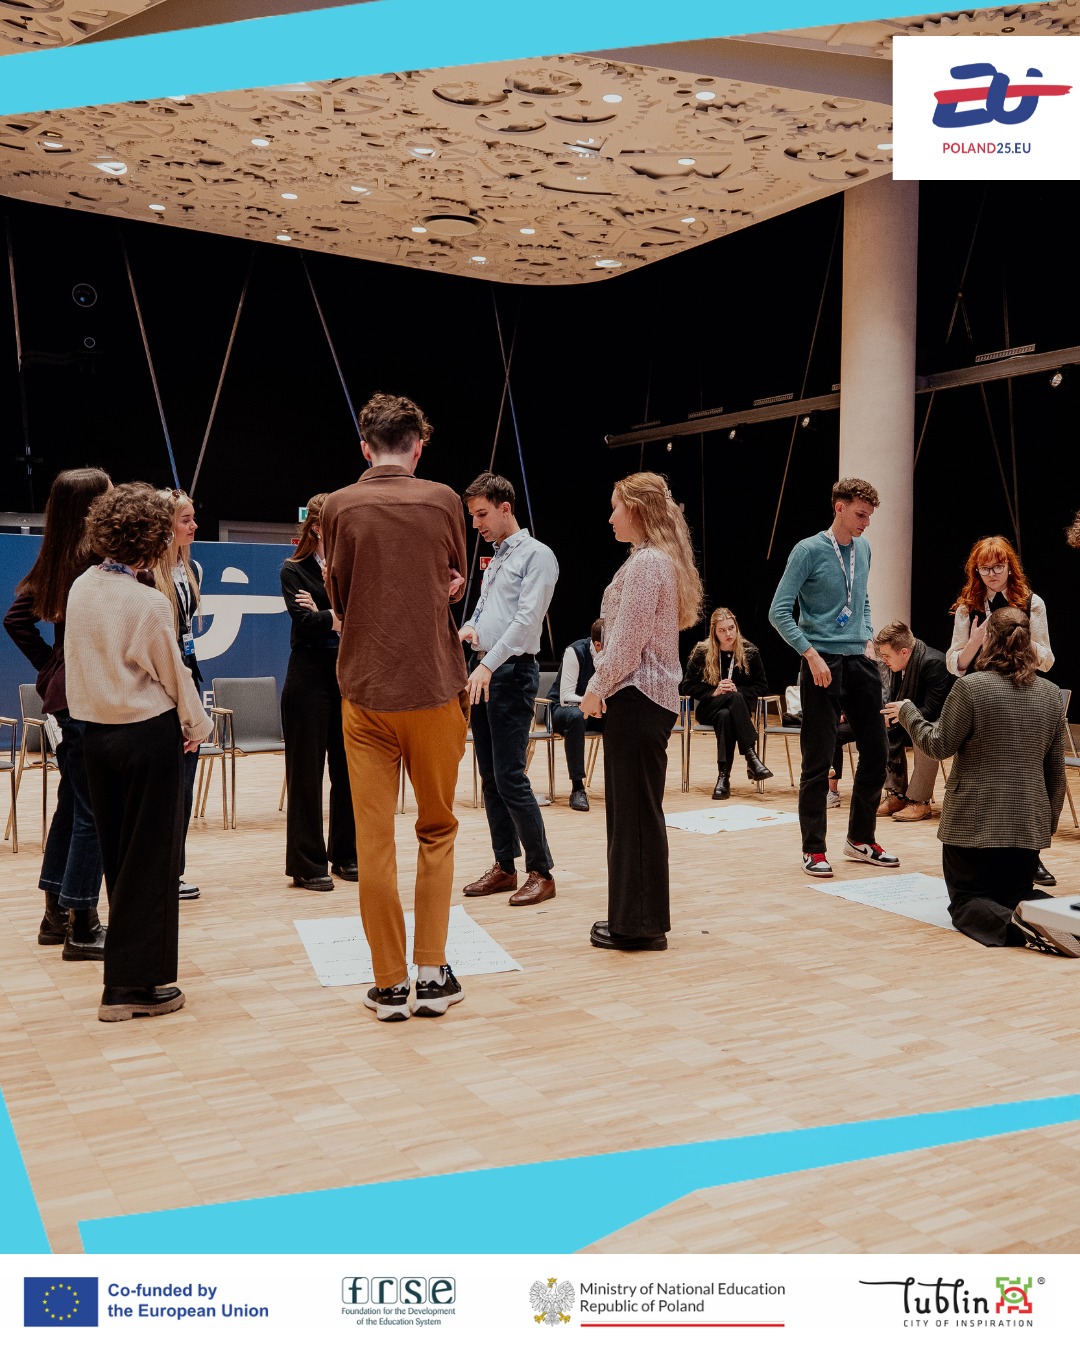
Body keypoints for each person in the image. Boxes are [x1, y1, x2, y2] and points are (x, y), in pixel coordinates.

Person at [322, 392, 469, 1023]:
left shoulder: (337, 506)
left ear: (365, 447)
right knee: (436, 830)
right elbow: (456, 579)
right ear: (418, 446)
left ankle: (388, 986)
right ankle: (432, 974)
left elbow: (338, 596)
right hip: (433, 686)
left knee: (373, 840)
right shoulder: (444, 500)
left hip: (366, 690)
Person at [65, 482, 213, 1020]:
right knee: (151, 863)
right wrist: (197, 725)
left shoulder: (81, 586)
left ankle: (123, 981)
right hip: (146, 737)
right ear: (152, 539)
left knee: (119, 858)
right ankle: (133, 986)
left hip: (96, 738)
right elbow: (173, 674)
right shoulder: (148, 602)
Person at [885, 608, 1075, 956]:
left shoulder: (970, 688)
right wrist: (1044, 826)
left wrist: (908, 712)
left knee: (967, 901)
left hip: (972, 825)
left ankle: (1019, 928)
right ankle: (1061, 920)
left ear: (988, 640)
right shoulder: (1050, 694)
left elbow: (938, 746)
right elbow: (1055, 773)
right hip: (1026, 826)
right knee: (1017, 895)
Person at [579, 471, 703, 951]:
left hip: (637, 698)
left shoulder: (649, 563)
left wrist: (596, 687)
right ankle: (634, 918)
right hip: (641, 700)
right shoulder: (648, 559)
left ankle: (639, 927)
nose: (610, 517)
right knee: (634, 814)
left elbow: (628, 641)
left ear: (637, 509)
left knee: (634, 816)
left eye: (616, 507)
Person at [3, 467, 111, 960]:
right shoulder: (96, 563)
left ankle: (55, 916)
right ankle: (83, 924)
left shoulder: (56, 558)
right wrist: (54, 665)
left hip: (65, 700)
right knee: (93, 812)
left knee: (73, 805)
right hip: (87, 699)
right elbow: (16, 621)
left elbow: (15, 619)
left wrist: (50, 667)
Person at [768, 476, 897, 879]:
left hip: (859, 659)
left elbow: (863, 597)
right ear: (839, 508)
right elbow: (778, 611)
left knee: (877, 751)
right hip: (821, 661)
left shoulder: (864, 548)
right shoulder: (808, 550)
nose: (866, 523)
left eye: (870, 516)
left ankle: (860, 839)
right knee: (818, 759)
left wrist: (868, 635)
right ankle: (814, 848)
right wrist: (810, 654)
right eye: (860, 514)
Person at [458, 472, 559, 907]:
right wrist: (469, 628)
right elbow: (487, 611)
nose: (476, 524)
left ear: (505, 508)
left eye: (482, 514)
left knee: (510, 777)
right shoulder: (497, 556)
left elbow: (525, 622)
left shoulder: (538, 555)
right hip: (485, 670)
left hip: (511, 673)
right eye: (473, 516)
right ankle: (505, 865)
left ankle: (542, 871)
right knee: (490, 777)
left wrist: (488, 663)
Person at [945, 535, 1056, 886]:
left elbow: (1047, 661)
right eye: (985, 568)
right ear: (975, 571)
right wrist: (975, 642)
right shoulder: (968, 607)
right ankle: (982, 847)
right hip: (982, 695)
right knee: (983, 777)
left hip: (1022, 692)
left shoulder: (1032, 603)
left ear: (1010, 566)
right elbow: (955, 664)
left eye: (998, 567)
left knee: (1023, 777)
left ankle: (1030, 855)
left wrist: (1018, 637)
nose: (992, 574)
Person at [279, 494, 358, 891]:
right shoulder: (293, 569)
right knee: (306, 775)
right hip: (308, 681)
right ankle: (307, 864)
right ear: (316, 528)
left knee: (348, 772)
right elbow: (306, 623)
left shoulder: (349, 568)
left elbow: (361, 616)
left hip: (345, 678)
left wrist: (324, 613)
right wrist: (334, 617)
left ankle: (345, 854)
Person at [153, 488, 205, 901]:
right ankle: (156, 872)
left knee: (185, 783)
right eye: (185, 520)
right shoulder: (146, 575)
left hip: (189, 676)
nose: (194, 526)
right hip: (159, 684)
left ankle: (174, 871)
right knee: (163, 786)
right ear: (166, 525)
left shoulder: (192, 569)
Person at [680, 606, 771, 799]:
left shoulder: (749, 651)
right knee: (731, 701)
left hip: (736, 711)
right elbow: (686, 686)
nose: (728, 634)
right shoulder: (702, 652)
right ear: (714, 632)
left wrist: (738, 690)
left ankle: (723, 779)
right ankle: (750, 756)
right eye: (722, 630)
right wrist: (714, 691)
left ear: (736, 627)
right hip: (709, 708)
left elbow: (762, 687)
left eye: (731, 628)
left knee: (726, 715)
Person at [875, 620, 954, 822]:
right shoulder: (899, 666)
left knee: (925, 734)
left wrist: (898, 716)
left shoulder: (933, 663)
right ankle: (896, 794)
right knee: (881, 731)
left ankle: (920, 801)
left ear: (904, 652)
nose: (884, 660)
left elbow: (933, 710)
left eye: (886, 656)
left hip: (944, 723)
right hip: (916, 716)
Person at [549, 619, 604, 812]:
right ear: (598, 644)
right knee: (577, 716)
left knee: (622, 717)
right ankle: (578, 788)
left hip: (596, 712)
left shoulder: (613, 657)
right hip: (563, 711)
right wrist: (591, 703)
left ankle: (620, 783)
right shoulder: (575, 651)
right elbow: (565, 696)